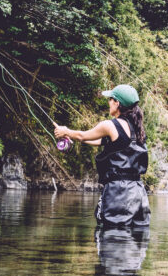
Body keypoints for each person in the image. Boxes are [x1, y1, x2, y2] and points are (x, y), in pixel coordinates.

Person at [53, 84, 150, 229]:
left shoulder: (110, 125)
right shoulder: (137, 129)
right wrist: (70, 135)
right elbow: (95, 140)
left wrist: (65, 131)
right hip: (138, 193)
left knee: (112, 237)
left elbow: (82, 135)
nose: (108, 102)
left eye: (110, 99)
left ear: (117, 103)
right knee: (137, 239)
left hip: (118, 193)